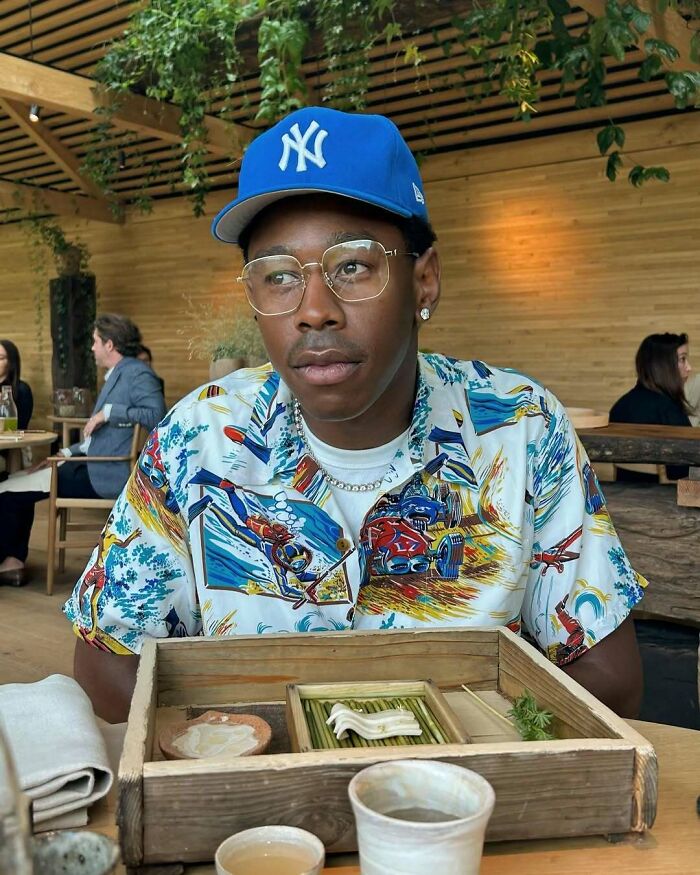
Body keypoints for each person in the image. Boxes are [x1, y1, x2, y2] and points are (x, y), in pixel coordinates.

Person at [65, 107, 645, 723]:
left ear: (424, 281)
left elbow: (607, 677)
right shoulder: (199, 438)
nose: (314, 310)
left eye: (352, 266)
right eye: (280, 276)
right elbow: (107, 661)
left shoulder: (521, 427)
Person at [0, 314, 166, 586]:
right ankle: (12, 563)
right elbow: (100, 437)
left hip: (104, 473)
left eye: (95, 342)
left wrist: (108, 412)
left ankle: (10, 563)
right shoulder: (120, 373)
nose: (92, 348)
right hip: (91, 463)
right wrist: (64, 454)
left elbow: (157, 415)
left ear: (109, 345)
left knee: (8, 488)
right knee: (14, 481)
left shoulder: (136, 372)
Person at [609, 333, 692, 482]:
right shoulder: (669, 410)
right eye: (682, 359)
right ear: (662, 366)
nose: (689, 368)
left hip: (623, 496)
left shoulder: (620, 406)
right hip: (665, 500)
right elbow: (680, 472)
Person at [0, 339, 33, 430]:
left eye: (1, 358)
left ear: (11, 362)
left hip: (10, 441)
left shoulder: (22, 390)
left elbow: (20, 426)